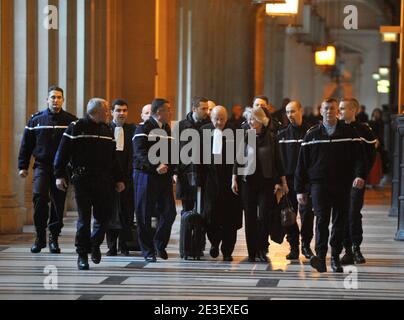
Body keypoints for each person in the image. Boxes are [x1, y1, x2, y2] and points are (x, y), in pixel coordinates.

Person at [295, 98, 366, 273]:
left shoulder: (349, 133)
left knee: (339, 221)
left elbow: (360, 158)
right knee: (321, 221)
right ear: (321, 111)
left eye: (332, 108)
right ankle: (320, 257)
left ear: (337, 111)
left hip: (342, 184)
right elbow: (301, 164)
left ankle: (335, 257)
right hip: (319, 185)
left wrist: (359, 175)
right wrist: (299, 189)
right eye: (325, 108)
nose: (329, 111)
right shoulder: (312, 134)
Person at [54, 98, 125, 270]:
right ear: (97, 111)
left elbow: (113, 159)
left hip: (104, 180)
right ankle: (82, 255)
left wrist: (119, 179)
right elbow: (62, 153)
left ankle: (94, 244)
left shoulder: (107, 129)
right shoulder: (76, 127)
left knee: (104, 218)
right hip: (82, 180)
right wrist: (59, 175)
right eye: (107, 110)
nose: (109, 112)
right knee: (84, 219)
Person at [18, 86, 77, 254]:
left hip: (62, 169)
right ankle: (40, 236)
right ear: (47, 100)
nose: (55, 100)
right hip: (42, 166)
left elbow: (76, 146)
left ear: (63, 100)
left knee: (58, 204)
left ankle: (53, 237)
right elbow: (26, 144)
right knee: (39, 198)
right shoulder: (36, 120)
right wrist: (23, 166)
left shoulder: (71, 121)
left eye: (59, 97)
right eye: (52, 97)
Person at [232, 107, 286, 262]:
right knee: (249, 217)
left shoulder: (271, 137)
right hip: (247, 182)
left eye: (253, 119)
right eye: (249, 119)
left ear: (262, 120)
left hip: (266, 182)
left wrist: (283, 182)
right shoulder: (244, 136)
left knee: (263, 217)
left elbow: (278, 161)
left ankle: (262, 248)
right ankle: (252, 252)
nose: (250, 121)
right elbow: (237, 159)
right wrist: (234, 178)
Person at [133, 98, 177, 262]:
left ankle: (159, 244)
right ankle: (148, 251)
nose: (171, 112)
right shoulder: (143, 128)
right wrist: (156, 165)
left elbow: (172, 152)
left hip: (164, 178)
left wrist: (174, 170)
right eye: (168, 109)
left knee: (169, 213)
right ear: (159, 112)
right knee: (144, 214)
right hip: (145, 176)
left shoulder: (166, 128)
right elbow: (139, 153)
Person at [200, 106, 242, 262]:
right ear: (211, 118)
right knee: (210, 215)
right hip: (211, 181)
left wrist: (235, 177)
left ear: (227, 118)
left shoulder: (235, 132)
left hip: (230, 181)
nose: (219, 122)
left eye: (222, 119)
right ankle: (214, 243)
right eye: (216, 119)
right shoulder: (204, 130)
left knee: (230, 219)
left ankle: (227, 250)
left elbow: (239, 157)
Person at [339, 98, 377, 265]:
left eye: (343, 108)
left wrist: (362, 175)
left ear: (353, 109)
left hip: (356, 180)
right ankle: (346, 249)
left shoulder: (364, 130)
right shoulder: (336, 129)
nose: (339, 111)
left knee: (353, 212)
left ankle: (356, 247)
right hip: (338, 180)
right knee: (341, 214)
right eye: (338, 108)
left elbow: (370, 155)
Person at [277, 101, 315, 260]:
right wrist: (279, 182)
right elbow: (278, 161)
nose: (290, 115)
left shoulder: (311, 133)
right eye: (287, 112)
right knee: (288, 215)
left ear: (300, 110)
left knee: (307, 216)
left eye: (293, 111)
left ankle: (306, 245)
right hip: (288, 182)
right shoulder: (282, 135)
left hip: (307, 182)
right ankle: (293, 246)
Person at [106, 99, 136, 256]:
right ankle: (111, 245)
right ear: (111, 112)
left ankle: (124, 244)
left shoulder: (132, 130)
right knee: (110, 212)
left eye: (124, 110)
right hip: (109, 179)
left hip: (128, 178)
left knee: (127, 212)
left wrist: (125, 179)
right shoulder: (106, 130)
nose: (122, 113)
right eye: (118, 110)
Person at [174, 97, 211, 215]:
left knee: (204, 209)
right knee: (187, 209)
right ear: (194, 109)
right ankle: (187, 233)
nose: (207, 111)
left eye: (208, 108)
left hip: (205, 172)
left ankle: (200, 233)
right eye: (203, 108)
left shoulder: (211, 125)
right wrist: (175, 171)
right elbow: (174, 149)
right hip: (186, 172)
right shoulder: (180, 126)